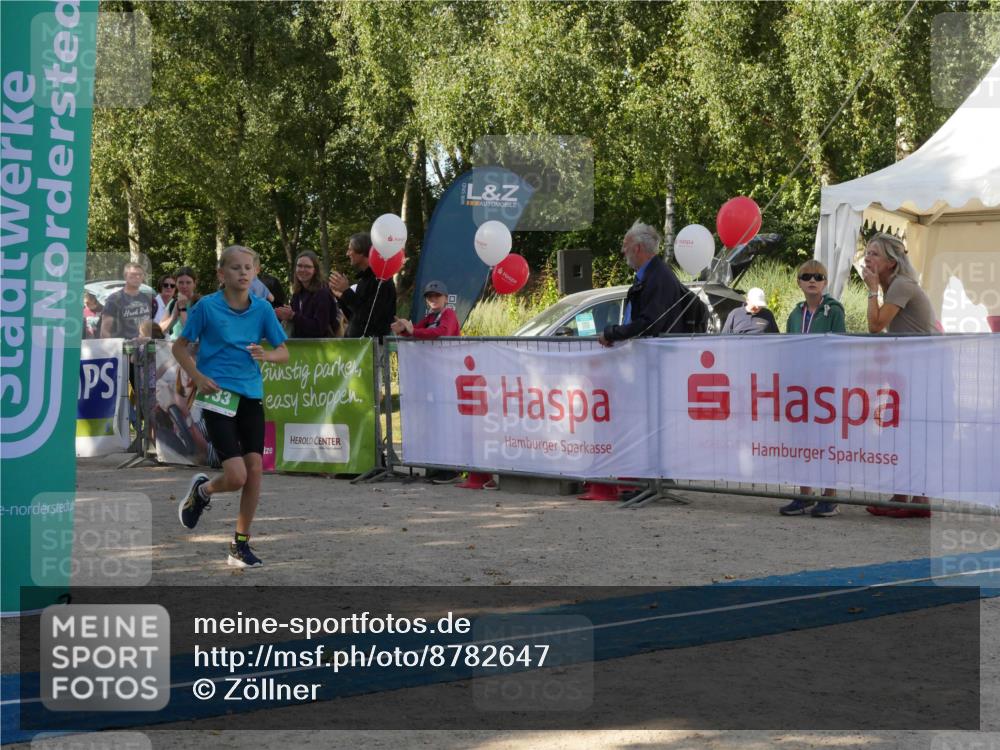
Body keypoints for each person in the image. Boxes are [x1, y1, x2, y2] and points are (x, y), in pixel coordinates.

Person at [172, 245, 289, 568]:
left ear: (255, 273)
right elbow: (179, 348)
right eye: (235, 268)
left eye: (248, 268)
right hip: (217, 396)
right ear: (222, 274)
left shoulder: (263, 311)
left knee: (254, 473)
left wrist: (268, 355)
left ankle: (240, 545)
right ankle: (203, 491)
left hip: (251, 395)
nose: (243, 273)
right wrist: (198, 375)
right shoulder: (207, 307)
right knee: (236, 476)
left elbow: (283, 351)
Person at [862, 232, 937, 518]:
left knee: (912, 433)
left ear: (892, 263)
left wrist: (871, 289)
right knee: (905, 432)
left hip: (923, 371)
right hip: (912, 370)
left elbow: (875, 324)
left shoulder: (901, 285)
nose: (868, 257)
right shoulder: (895, 284)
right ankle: (907, 497)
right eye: (867, 252)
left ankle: (914, 499)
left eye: (875, 253)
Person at [779, 260, 846, 518]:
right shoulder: (795, 314)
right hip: (800, 387)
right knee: (801, 442)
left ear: (825, 282)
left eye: (818, 276)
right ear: (798, 282)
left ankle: (830, 497)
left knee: (827, 442)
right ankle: (804, 494)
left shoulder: (834, 311)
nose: (812, 280)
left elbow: (838, 347)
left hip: (825, 387)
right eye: (806, 276)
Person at [598, 221, 686, 347]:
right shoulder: (650, 275)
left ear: (637, 248)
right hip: (648, 356)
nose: (623, 251)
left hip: (658, 358)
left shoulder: (659, 277)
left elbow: (648, 323)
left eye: (625, 245)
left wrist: (612, 334)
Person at [328, 232, 397, 338]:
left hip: (373, 349)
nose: (347, 253)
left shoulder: (381, 280)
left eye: (350, 249)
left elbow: (372, 318)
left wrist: (347, 291)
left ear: (362, 251)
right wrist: (342, 297)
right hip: (358, 348)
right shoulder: (364, 280)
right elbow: (355, 318)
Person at [275, 250, 339, 338]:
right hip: (302, 348)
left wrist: (293, 316)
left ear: (315, 270)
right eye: (299, 266)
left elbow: (319, 329)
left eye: (307, 267)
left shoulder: (322, 293)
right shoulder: (297, 293)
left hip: (322, 348)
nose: (302, 270)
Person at [100, 262, 153, 339]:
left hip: (144, 347)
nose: (137, 277)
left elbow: (150, 325)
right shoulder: (114, 299)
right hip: (124, 348)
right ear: (125, 276)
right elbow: (104, 331)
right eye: (133, 274)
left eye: (140, 275)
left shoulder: (146, 298)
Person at [390, 280, 460, 339]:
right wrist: (404, 329)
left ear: (446, 299)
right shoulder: (430, 317)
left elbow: (443, 332)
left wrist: (412, 331)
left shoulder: (449, 312)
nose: (433, 298)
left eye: (437, 295)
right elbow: (416, 329)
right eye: (429, 296)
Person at [160, 266, 201, 341]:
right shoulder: (173, 303)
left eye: (188, 282)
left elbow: (191, 333)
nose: (184, 286)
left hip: (193, 349)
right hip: (172, 346)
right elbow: (160, 331)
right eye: (180, 282)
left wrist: (182, 308)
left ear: (194, 284)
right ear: (176, 283)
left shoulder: (201, 303)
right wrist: (173, 315)